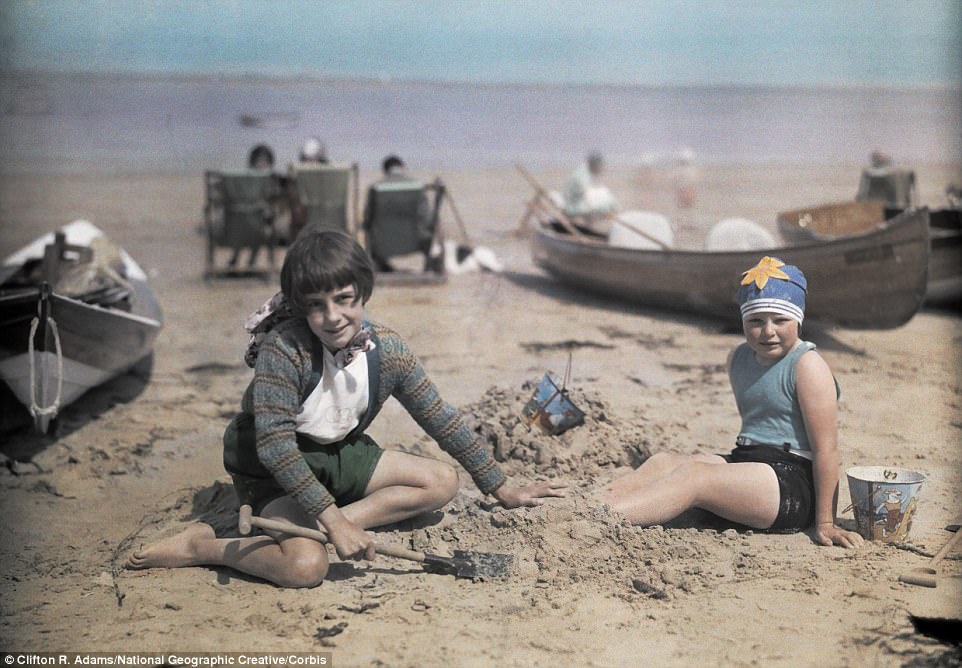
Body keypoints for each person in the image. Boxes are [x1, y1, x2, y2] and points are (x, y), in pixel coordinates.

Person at [128, 230, 566, 587]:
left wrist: (499, 485)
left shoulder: (387, 349)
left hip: (337, 452)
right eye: (316, 306)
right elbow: (276, 447)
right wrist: (335, 523)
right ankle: (201, 546)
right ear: (300, 307)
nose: (332, 316)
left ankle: (312, 527)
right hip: (273, 464)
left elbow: (439, 416)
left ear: (363, 294)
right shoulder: (285, 350)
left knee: (441, 482)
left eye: (344, 299)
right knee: (305, 569)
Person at [600, 256, 864, 548]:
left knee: (695, 476)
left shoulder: (806, 365)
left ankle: (602, 518)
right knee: (663, 463)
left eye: (780, 320)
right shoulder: (738, 358)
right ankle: (590, 502)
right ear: (742, 321)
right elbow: (758, 429)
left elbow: (826, 450)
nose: (768, 331)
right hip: (750, 461)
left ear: (798, 320)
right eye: (755, 321)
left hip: (793, 485)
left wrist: (826, 522)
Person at [361, 155, 440, 272]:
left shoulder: (376, 188)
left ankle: (381, 266)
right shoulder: (417, 186)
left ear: (385, 170)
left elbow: (367, 220)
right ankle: (429, 267)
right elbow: (427, 219)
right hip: (416, 243)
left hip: (382, 245)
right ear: (403, 167)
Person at [563, 151, 619, 235]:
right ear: (594, 165)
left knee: (608, 203)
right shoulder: (582, 176)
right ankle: (585, 232)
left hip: (581, 204)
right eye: (600, 166)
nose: (601, 168)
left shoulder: (587, 172)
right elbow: (589, 198)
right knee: (605, 205)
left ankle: (588, 230)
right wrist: (605, 210)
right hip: (574, 206)